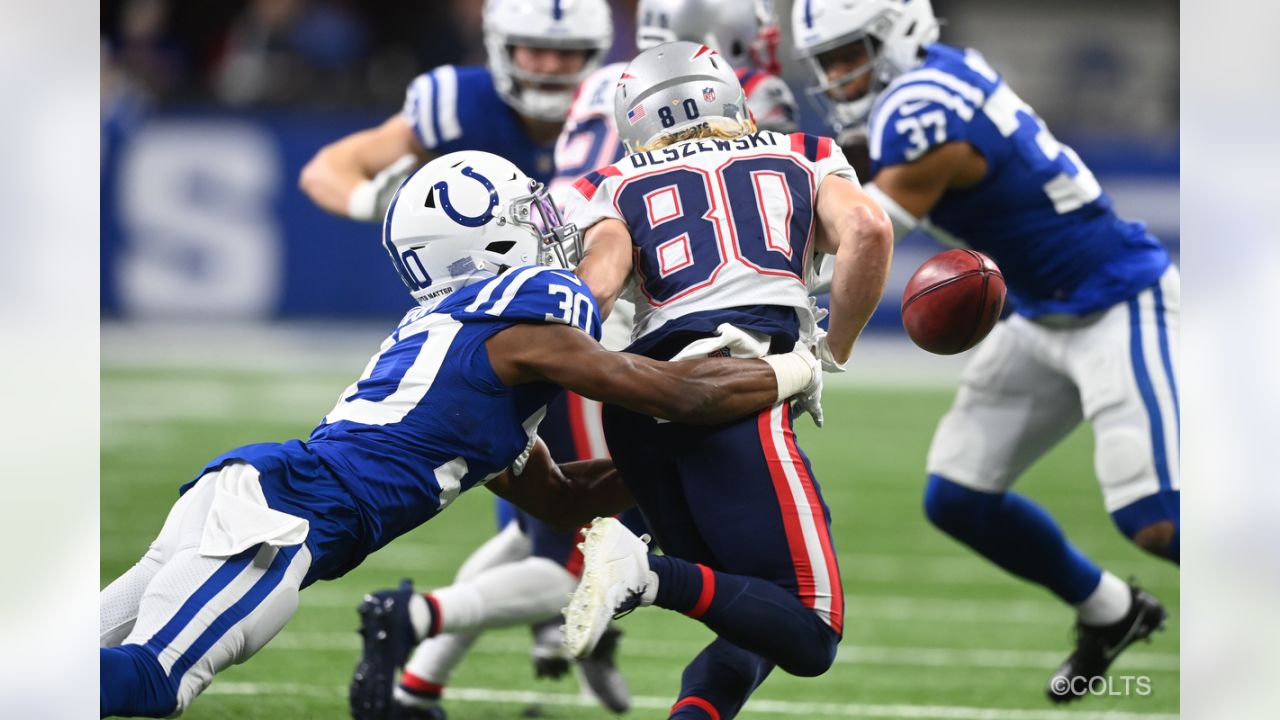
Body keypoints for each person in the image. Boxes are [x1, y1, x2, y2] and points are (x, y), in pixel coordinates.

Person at [98, 150, 823, 719]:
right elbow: (678, 393)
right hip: (278, 524)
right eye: (530, 215)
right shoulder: (519, 324)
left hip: (258, 500)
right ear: (491, 240)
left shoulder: (466, 358)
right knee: (151, 681)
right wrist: (793, 369)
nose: (550, 228)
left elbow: (566, 502)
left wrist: (670, 462)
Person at [791, 0, 1178, 703]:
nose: (841, 75)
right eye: (829, 61)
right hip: (1039, 311)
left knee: (1156, 518)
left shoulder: (922, 111)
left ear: (899, 32)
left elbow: (865, 234)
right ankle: (1113, 611)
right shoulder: (934, 79)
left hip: (1118, 296)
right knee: (960, 496)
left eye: (854, 53)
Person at [295, 0, 630, 711]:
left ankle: (419, 683)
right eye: (534, 49)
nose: (549, 65)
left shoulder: (617, 103)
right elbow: (329, 168)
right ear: (499, 44)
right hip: (502, 340)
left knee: (538, 525)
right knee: (578, 530)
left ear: (595, 54)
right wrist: (377, 204)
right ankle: (427, 630)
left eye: (565, 52)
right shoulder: (459, 103)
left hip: (580, 328)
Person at [558, 42, 894, 720]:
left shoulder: (604, 185)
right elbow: (869, 228)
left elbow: (590, 293)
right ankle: (645, 573)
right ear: (731, 98)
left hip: (638, 409)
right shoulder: (803, 150)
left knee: (755, 610)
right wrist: (835, 349)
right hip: (731, 396)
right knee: (811, 627)